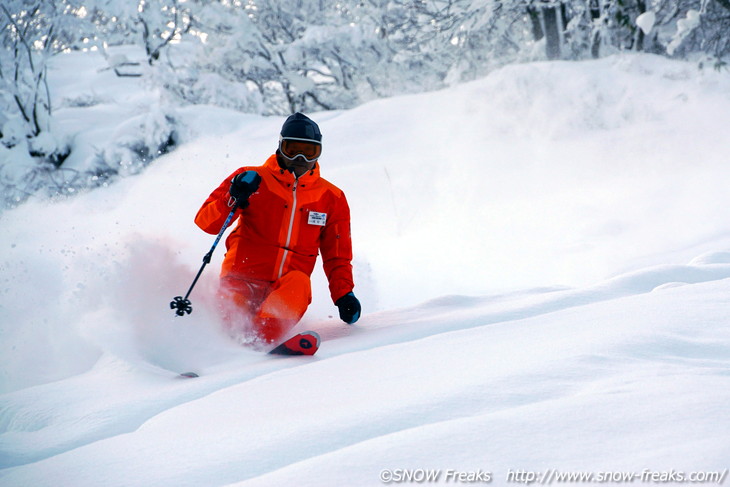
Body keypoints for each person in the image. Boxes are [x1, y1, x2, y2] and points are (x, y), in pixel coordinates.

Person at [194, 112, 361, 352]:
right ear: (280, 147)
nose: (301, 159)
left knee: (299, 283)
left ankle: (262, 341)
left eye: (310, 151)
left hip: (286, 286)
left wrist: (344, 294)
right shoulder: (253, 178)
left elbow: (337, 256)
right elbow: (206, 222)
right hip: (241, 279)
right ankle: (210, 349)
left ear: (319, 153)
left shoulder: (331, 197)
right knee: (229, 320)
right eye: (293, 149)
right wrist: (233, 196)